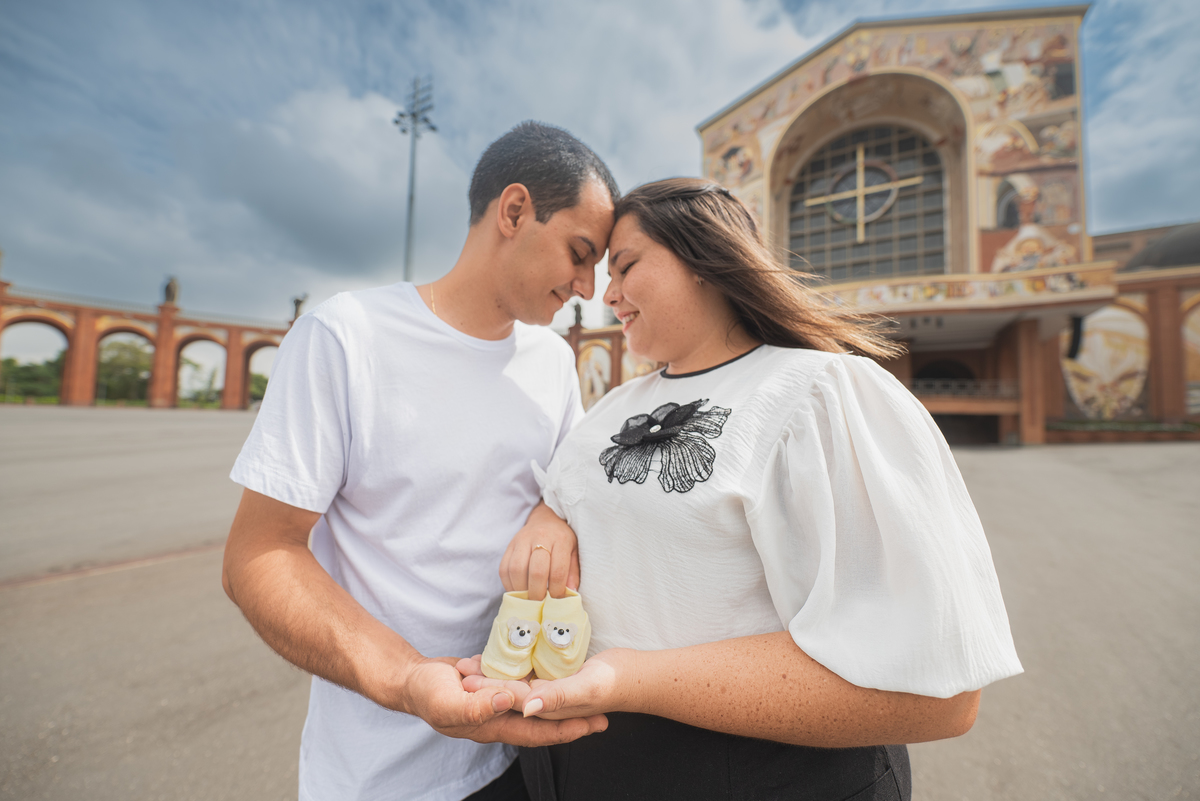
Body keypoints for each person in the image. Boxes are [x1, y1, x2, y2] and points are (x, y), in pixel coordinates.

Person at [461, 178, 1024, 800]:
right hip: (573, 762)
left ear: (705, 260)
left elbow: (937, 698)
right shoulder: (614, 405)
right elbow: (572, 493)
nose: (606, 294)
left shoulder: (820, 393)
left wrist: (631, 680)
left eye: (625, 266)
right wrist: (548, 519)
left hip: (753, 774)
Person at [221, 121, 620, 801]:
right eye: (580, 253)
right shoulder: (347, 337)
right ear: (515, 210)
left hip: (521, 756)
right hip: (384, 774)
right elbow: (260, 555)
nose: (588, 285)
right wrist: (408, 679)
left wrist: (554, 512)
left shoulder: (553, 362)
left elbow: (571, 488)